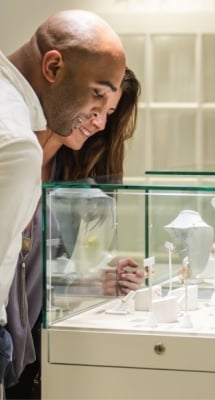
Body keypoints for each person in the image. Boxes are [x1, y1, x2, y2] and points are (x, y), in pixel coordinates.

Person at [0, 7, 130, 398]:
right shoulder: (18, 148)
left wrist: (92, 283)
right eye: (97, 94)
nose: (98, 120)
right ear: (53, 67)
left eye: (109, 108)